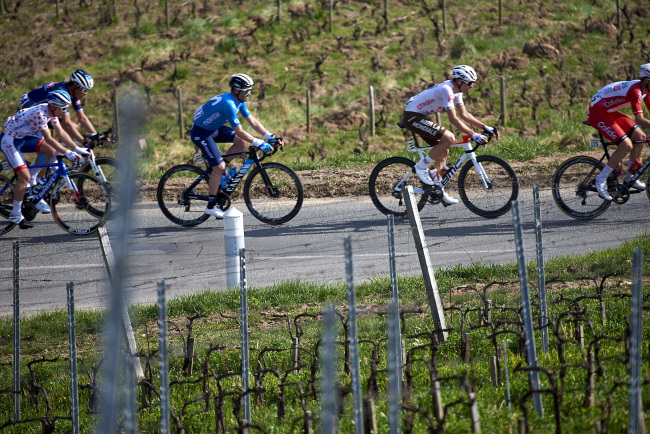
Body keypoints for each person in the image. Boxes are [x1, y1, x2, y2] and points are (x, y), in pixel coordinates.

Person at [401, 65, 498, 205]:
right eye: (470, 83)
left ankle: (439, 189)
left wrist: (485, 127)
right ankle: (421, 167)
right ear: (459, 81)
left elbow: (464, 114)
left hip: (420, 116)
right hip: (412, 117)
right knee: (449, 137)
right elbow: (453, 119)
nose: (472, 86)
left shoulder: (458, 93)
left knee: (443, 149)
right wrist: (473, 134)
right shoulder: (447, 89)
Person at [190, 73, 280, 219]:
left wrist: (270, 136)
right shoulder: (229, 104)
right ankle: (211, 206)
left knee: (241, 143)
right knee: (218, 168)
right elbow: (239, 130)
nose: (249, 93)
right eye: (246, 90)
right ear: (237, 90)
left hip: (212, 128)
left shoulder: (239, 100)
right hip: (201, 133)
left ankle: (222, 172)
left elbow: (252, 121)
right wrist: (259, 143)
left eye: (250, 90)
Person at [1, 90, 81, 228]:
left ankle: (32, 182)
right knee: (23, 177)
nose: (65, 111)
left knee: (49, 151)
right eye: (63, 108)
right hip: (10, 140)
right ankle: (16, 213)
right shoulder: (40, 114)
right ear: (54, 106)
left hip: (22, 137)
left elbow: (61, 132)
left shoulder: (51, 111)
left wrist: (77, 149)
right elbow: (49, 138)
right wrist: (67, 152)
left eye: (66, 107)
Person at [589, 63, 650, 200]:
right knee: (626, 145)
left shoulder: (646, 91)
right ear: (646, 80)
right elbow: (639, 119)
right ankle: (600, 180)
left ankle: (630, 177)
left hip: (610, 112)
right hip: (597, 112)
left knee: (640, 136)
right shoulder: (635, 91)